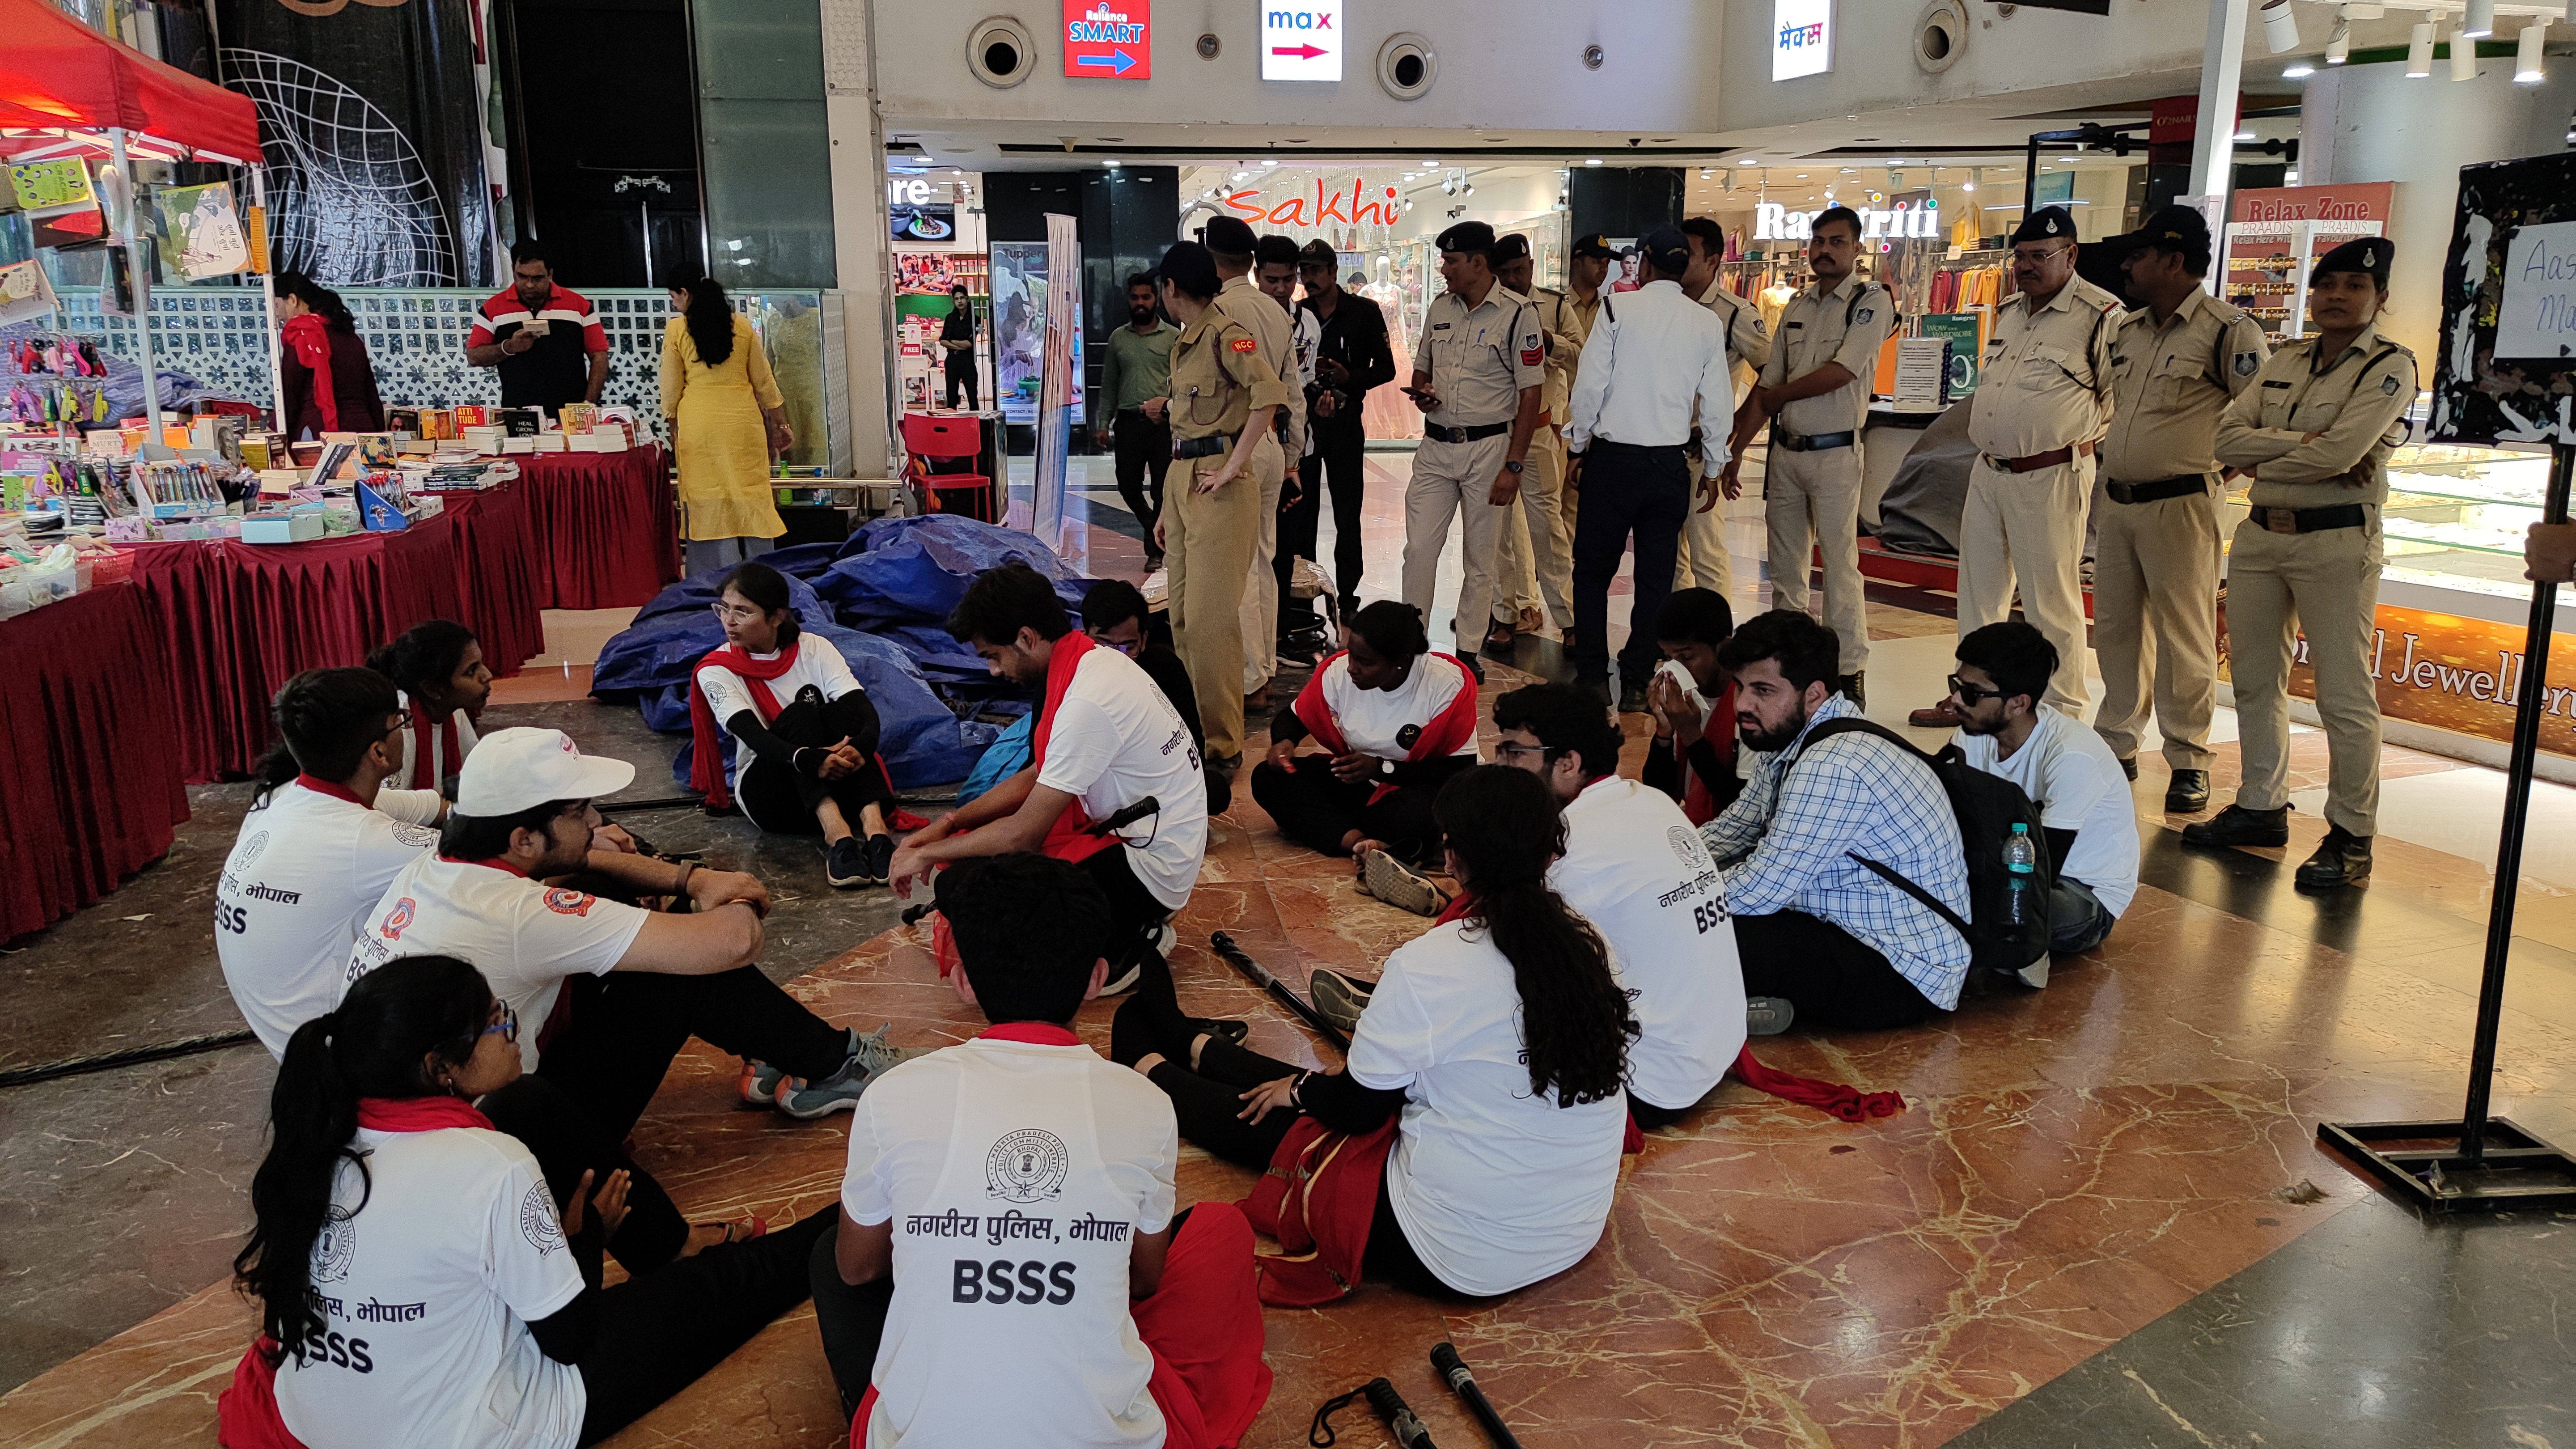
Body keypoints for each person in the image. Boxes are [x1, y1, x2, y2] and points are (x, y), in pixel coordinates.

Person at [221, 956, 836, 1449]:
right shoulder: (489, 1169)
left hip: (325, 1419)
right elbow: (568, 1341)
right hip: (475, 1431)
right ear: (441, 1069)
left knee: (529, 1102)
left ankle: (666, 1243)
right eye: (497, 1023)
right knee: (728, 1285)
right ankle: (844, 1225)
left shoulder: (320, 1138)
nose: (512, 1033)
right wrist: (584, 1236)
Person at [1116, 766, 1635, 1300]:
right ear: (1550, 854)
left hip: (1455, 1251)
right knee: (1320, 1089)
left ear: (1452, 857)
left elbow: (1356, 1110)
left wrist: (1299, 1092)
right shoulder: (1589, 943)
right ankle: (1185, 1045)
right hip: (1571, 1227)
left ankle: (1149, 1065)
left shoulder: (1433, 963)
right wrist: (1304, 1089)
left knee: (1297, 1127)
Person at [808, 854, 1271, 1444]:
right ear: (1097, 978)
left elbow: (858, 1266)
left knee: (833, 1254)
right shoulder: (1144, 1104)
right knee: (1220, 1231)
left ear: (963, 982)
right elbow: (1145, 1281)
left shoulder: (894, 1095)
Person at [349, 727, 901, 1124]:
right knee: (686, 971)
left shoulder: (437, 865)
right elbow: (737, 943)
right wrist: (725, 894)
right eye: (580, 812)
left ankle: (786, 1055)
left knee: (629, 904)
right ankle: (834, 1064)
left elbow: (587, 860)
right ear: (523, 839)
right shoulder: (518, 913)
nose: (596, 823)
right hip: (522, 1130)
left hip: (434, 1104)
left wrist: (687, 879)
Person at [2187, 236, 2418, 890]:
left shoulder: (2390, 368)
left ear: (2379, 299)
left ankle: (2351, 833)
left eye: (2355, 286)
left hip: (2336, 543)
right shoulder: (2286, 356)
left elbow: (2339, 454)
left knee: (2345, 694)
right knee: (2256, 681)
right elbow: (2224, 436)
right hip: (2260, 535)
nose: (2338, 297)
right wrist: (2304, 446)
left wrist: (2286, 451)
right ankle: (2261, 806)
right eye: (2328, 285)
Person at [892, 563, 1212, 981]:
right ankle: (1101, 929)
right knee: (968, 873)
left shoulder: (1086, 700)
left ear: (1026, 638)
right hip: (1147, 846)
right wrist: (950, 823)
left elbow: (1024, 834)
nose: (993, 671)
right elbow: (1040, 773)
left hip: (1148, 873)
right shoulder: (1089, 662)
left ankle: (1127, 938)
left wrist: (925, 853)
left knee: (966, 890)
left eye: (993, 655)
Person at [1491, 683, 1753, 1119]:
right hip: (1715, 1048)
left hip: (1647, 1082)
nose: (1499, 766)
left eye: (1514, 753)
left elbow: (1520, 971)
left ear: (1569, 763)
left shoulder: (1568, 849)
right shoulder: (1651, 800)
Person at [1705, 609, 1970, 1030]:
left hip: (1901, 971)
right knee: (1704, 918)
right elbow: (1732, 831)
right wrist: (1660, 867)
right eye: (1740, 687)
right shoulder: (1791, 740)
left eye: (1762, 690)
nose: (1742, 705)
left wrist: (1665, 899)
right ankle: (1762, 1003)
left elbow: (1760, 890)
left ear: (1813, 694)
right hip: (1845, 931)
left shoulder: (1833, 765)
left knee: (1700, 935)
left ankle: (1743, 1006)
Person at [1910, 206, 2120, 727]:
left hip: (2051, 474)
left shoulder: (2102, 316)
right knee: (1978, 596)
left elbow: (2117, 401)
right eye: (2019, 257)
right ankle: (1971, 700)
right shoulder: (2009, 309)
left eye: (2039, 257)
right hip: (1989, 472)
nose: (2026, 267)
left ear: (2070, 255)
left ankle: (2062, 712)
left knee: (2051, 601)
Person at [2092, 206, 2270, 815]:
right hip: (2118, 502)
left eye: (2139, 256)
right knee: (2116, 630)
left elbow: (2260, 419)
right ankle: (2115, 743)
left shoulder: (2228, 332)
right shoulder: (2128, 330)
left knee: (2184, 634)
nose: (2128, 267)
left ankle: (2189, 758)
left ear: (2173, 260)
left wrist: (2219, 475)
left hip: (2182, 504)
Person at [219, 668, 446, 1060]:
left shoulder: (292, 798)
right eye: (401, 722)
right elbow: (499, 865)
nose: (406, 730)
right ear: (379, 752)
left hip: (286, 1039)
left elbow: (435, 807)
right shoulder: (366, 841)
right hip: (334, 1057)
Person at [1561, 225, 1733, 714]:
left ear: (1647, 265)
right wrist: (1716, 466)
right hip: (1669, 465)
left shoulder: (1617, 308)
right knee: (1656, 580)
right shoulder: (1705, 322)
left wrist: (1577, 445)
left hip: (1614, 463)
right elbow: (1717, 401)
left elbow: (1591, 386)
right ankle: (1638, 679)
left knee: (1593, 572)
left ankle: (1594, 676)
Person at [1726, 207, 1890, 707]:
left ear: (1857, 248)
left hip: (1836, 452)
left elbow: (1842, 371)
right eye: (1818, 241)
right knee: (1785, 568)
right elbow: (1767, 383)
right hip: (1787, 453)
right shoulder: (1797, 306)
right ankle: (1791, 662)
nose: (1825, 250)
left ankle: (1848, 669)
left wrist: (1780, 399)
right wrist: (1734, 451)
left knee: (1841, 566)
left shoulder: (1870, 302)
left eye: (1837, 242)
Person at [1143, 240, 1291, 772]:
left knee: (1210, 621)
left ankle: (1222, 743)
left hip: (1220, 486)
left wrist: (1235, 464)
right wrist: (1166, 507)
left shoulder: (1231, 334)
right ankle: (1191, 729)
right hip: (1185, 482)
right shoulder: (1188, 341)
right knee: (1180, 617)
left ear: (1171, 288)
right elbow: (1184, 427)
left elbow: (1269, 394)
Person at [687, 562, 899, 890]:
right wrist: (811, 759)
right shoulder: (716, 670)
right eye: (724, 609)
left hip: (835, 778)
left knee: (840, 715)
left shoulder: (815, 649)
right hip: (773, 795)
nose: (729, 621)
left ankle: (876, 831)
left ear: (776, 617)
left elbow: (862, 711)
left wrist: (861, 746)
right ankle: (838, 836)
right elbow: (754, 737)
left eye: (743, 612)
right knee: (800, 714)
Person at [1402, 220, 1545, 684]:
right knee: (1419, 549)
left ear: (1478, 263)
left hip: (1489, 449)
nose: (1443, 269)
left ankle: (1467, 650)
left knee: (1480, 558)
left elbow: (1530, 394)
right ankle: (1412, 643)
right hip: (1436, 446)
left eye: (1451, 261)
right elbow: (1422, 368)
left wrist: (1514, 466)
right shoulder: (1440, 309)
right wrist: (1423, 392)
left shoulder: (1519, 314)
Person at [1946, 623, 2137, 960]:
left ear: (2018, 704)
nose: (1956, 700)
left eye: (1972, 693)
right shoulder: (1970, 737)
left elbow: (2041, 873)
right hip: (2005, 872)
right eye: (1957, 685)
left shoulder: (2071, 754)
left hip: (2080, 893)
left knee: (1991, 908)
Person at [1250, 600, 1479, 876]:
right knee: (1267, 777)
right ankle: (1360, 842)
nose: (1351, 668)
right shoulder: (1339, 674)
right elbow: (1293, 718)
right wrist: (1285, 742)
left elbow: (1460, 772)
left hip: (1418, 788)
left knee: (1429, 812)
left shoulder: (1445, 683)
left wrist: (1381, 768)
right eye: (1351, 655)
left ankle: (1332, 827)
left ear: (1401, 662)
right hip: (1361, 785)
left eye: (1365, 662)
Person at [1203, 217, 1306, 710]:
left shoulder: (1218, 310)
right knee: (1263, 560)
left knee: (1237, 566)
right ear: (1252, 263)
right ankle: (1263, 669)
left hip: (1232, 448)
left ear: (1210, 256)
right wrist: (1292, 459)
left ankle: (1247, 678)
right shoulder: (1275, 312)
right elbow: (1292, 390)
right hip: (1268, 445)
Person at [661, 276, 792, 579]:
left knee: (707, 497)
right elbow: (764, 382)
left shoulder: (677, 329)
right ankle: (760, 579)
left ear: (687, 296)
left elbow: (670, 389)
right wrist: (780, 423)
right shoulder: (742, 327)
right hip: (743, 424)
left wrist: (672, 426)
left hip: (699, 425)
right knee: (750, 494)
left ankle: (712, 581)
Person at [1672, 216, 1774, 602]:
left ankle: (1715, 645)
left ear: (1713, 261)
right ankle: (1677, 642)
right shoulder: (1664, 306)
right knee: (1669, 555)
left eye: (1690, 254)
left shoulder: (1733, 313)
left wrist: (1731, 432)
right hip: (1662, 446)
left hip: (1702, 447)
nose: (1680, 261)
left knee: (1706, 552)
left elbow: (1771, 376)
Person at [1298, 238, 1397, 625]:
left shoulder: (1364, 312)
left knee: (1347, 511)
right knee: (1303, 515)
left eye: (1316, 271)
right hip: (1304, 425)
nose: (1309, 279)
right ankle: (1303, 594)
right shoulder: (1296, 313)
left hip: (1344, 423)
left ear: (1334, 271)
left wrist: (1348, 378)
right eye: (1304, 272)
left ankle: (1349, 596)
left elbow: (1386, 369)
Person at [1486, 232, 1576, 651]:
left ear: (1531, 268)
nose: (1512, 279)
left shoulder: (1557, 307)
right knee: (1498, 531)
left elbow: (1583, 353)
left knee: (1549, 528)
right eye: (1503, 273)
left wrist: (1550, 340)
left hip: (1539, 430)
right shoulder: (1485, 311)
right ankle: (1505, 614)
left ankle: (1569, 619)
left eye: (1518, 271)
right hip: (1494, 434)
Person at [1082, 579, 1227, 821]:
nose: (1118, 658)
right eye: (1105, 644)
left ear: (1144, 639)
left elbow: (1192, 746)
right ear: (1084, 637)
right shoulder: (1071, 676)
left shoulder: (1166, 668)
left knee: (1213, 790)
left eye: (1129, 647)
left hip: (1154, 784)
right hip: (1096, 786)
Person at [1255, 232, 1325, 678]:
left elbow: (1300, 390)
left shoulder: (1309, 325)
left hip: (1300, 450)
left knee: (1298, 544)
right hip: (1257, 451)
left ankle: (1290, 628)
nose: (1281, 288)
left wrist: (1295, 458)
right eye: (1272, 279)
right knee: (1263, 549)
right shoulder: (1242, 319)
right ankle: (1265, 636)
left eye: (1288, 279)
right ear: (1257, 274)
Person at [466, 238, 610, 413]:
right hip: (519, 416)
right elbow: (473, 357)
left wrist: (588, 404)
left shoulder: (579, 306)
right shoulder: (492, 308)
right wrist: (509, 347)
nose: (529, 285)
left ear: (550, 274)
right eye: (522, 276)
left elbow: (599, 356)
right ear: (513, 270)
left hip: (572, 415)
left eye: (538, 278)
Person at [1640, 587, 1744, 823]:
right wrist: (1664, 732)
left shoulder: (1747, 705)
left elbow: (1740, 804)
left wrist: (1691, 735)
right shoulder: (1684, 699)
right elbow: (1660, 794)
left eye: (1686, 658)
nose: (1675, 670)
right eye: (1668, 658)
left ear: (1723, 648)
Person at [1097, 272, 1178, 570]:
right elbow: (1109, 386)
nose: (1141, 303)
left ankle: (1154, 551)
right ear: (1128, 300)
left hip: (1163, 424)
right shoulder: (1118, 339)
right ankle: (1150, 527)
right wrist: (1103, 423)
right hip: (1129, 423)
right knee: (1127, 486)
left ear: (1156, 298)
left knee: (1160, 489)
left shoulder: (1173, 338)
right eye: (1135, 298)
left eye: (1146, 297)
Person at [368, 618, 491, 799]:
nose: (488, 675)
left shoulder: (454, 712)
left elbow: (476, 776)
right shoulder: (400, 725)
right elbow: (388, 808)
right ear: (432, 690)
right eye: (471, 671)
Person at [274, 271, 385, 440]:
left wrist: (275, 433)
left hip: (319, 434)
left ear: (293, 300)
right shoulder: (349, 336)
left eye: (276, 306)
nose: (277, 315)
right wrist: (379, 435)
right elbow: (371, 394)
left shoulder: (301, 335)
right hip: (364, 430)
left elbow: (290, 397)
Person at [940, 283, 981, 411]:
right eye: (957, 299)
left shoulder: (975, 319)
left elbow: (969, 344)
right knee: (951, 397)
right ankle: (952, 427)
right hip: (952, 361)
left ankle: (976, 426)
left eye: (962, 298)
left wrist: (951, 341)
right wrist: (959, 344)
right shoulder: (950, 318)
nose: (960, 301)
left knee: (972, 396)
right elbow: (942, 341)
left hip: (967, 361)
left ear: (967, 299)